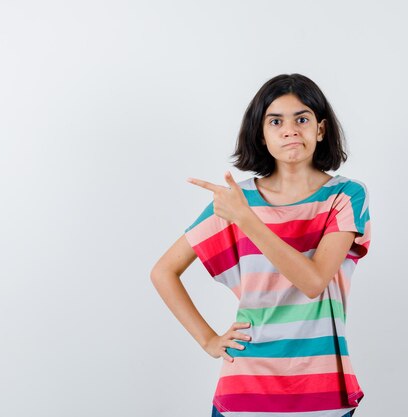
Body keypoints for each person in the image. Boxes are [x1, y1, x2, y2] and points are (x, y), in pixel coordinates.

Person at [150, 73, 372, 417]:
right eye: (275, 121)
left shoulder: (345, 196)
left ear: (320, 130)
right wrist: (208, 340)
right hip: (246, 384)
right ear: (262, 135)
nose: (290, 129)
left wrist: (247, 220)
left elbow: (313, 282)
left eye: (302, 118)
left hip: (321, 386)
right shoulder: (237, 201)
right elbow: (164, 271)